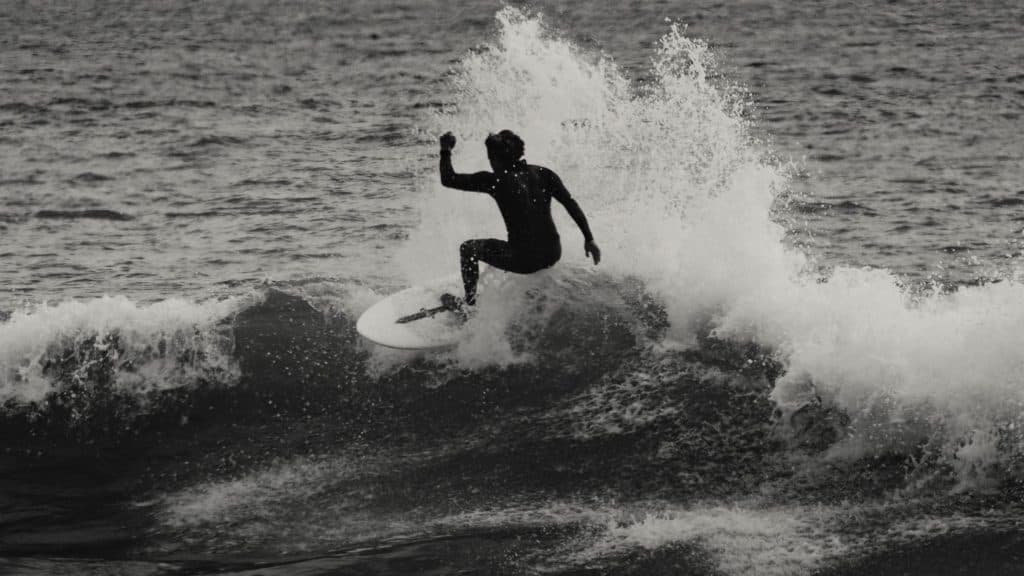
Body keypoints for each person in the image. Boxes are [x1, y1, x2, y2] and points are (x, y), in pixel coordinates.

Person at [438, 130, 600, 314]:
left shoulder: (495, 180)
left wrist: (445, 149)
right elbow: (570, 204)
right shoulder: (544, 174)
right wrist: (589, 239)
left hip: (525, 260)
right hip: (553, 253)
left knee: (468, 249)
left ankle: (469, 307)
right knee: (506, 247)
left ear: (496, 159)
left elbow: (448, 179)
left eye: (490, 159)